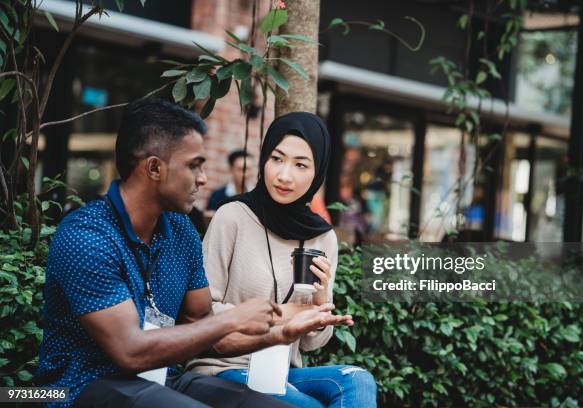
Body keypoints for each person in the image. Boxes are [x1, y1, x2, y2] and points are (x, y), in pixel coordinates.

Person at [36, 98, 350, 408]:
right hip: (79, 387)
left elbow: (208, 334)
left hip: (162, 378)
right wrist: (233, 319)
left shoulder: (181, 230)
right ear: (155, 168)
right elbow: (130, 351)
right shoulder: (86, 236)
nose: (203, 178)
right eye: (194, 165)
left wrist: (278, 335)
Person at [188, 112, 377, 407]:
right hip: (223, 368)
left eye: (301, 164)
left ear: (318, 172)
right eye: (277, 159)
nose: (284, 175)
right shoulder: (233, 216)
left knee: (358, 379)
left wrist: (321, 301)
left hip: (282, 371)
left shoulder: (322, 238)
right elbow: (201, 311)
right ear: (264, 159)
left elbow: (312, 343)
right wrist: (283, 314)